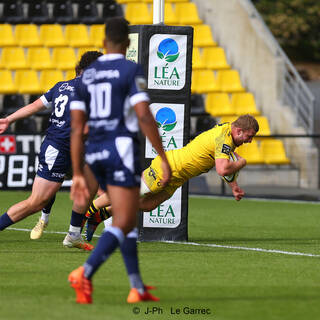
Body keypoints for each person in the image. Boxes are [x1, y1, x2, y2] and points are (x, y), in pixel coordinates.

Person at [68, 17, 171, 304]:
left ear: (104, 43)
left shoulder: (86, 76)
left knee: (127, 222)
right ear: (127, 43)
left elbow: (77, 127)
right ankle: (84, 274)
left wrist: (77, 171)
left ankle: (136, 287)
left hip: (94, 153)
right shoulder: (129, 69)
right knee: (124, 220)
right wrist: (162, 157)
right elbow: (143, 115)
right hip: (120, 150)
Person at [83, 114, 260, 241]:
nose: (250, 141)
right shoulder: (225, 138)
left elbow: (224, 164)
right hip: (169, 167)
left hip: (178, 176)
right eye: (249, 136)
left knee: (148, 205)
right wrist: (242, 163)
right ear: (238, 131)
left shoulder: (228, 135)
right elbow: (223, 169)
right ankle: (86, 215)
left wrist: (234, 186)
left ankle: (101, 215)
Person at [0, 51, 103, 251]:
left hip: (69, 147)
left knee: (92, 180)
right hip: (59, 149)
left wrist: (9, 119)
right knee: (36, 202)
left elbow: (35, 106)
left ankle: (73, 234)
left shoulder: (61, 86)